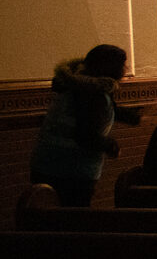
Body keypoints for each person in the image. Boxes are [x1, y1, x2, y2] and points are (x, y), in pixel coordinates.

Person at [30, 44, 141, 207]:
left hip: (46, 164)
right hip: (71, 171)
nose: (126, 68)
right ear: (110, 67)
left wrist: (130, 116)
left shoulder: (77, 85)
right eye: (122, 64)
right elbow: (85, 135)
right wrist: (110, 145)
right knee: (74, 219)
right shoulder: (93, 94)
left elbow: (99, 111)